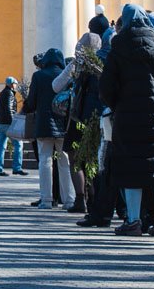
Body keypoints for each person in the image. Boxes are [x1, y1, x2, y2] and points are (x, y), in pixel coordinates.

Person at [99, 4, 154, 237]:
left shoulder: (118, 51)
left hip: (128, 118)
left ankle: (133, 220)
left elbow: (105, 88)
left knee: (131, 169)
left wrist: (118, 105)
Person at [53, 32, 103, 215]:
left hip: (78, 117)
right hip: (99, 117)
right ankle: (95, 198)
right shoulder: (103, 62)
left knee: (75, 158)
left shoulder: (77, 64)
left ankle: (81, 198)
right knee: (94, 158)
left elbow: (56, 86)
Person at [24, 48, 74, 209]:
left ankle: (46, 199)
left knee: (45, 161)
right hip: (63, 124)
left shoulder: (38, 75)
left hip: (44, 123)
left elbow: (31, 102)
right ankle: (69, 200)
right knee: (64, 162)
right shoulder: (66, 75)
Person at [0, 76, 26, 175]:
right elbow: (9, 109)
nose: (16, 86)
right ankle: (17, 168)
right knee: (19, 144)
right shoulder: (9, 94)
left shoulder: (1, 94)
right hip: (9, 124)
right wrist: (13, 123)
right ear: (12, 84)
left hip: (1, 123)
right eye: (15, 84)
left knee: (1, 146)